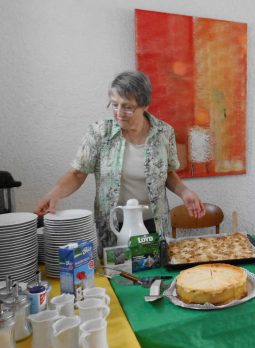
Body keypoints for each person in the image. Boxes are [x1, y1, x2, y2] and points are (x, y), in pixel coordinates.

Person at [35, 70, 205, 253]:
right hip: (113, 225)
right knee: (115, 275)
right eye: (114, 105)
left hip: (153, 225)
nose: (119, 113)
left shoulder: (164, 133)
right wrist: (55, 193)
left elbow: (168, 173)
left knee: (154, 273)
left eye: (128, 107)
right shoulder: (100, 132)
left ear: (145, 105)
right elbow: (78, 173)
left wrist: (184, 191)